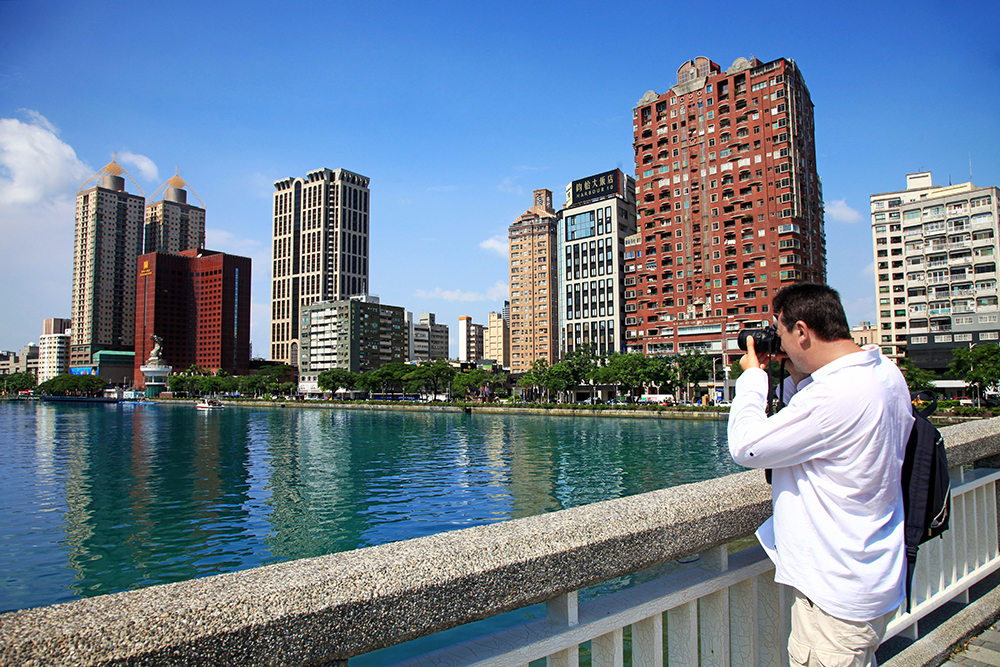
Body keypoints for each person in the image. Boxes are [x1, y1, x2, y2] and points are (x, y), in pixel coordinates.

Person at [728, 283, 913, 666]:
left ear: (801, 330)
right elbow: (813, 430)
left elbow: (746, 446)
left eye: (779, 332)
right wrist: (795, 373)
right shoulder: (884, 373)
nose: (778, 343)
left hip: (834, 593)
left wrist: (751, 379)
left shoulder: (835, 395)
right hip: (871, 573)